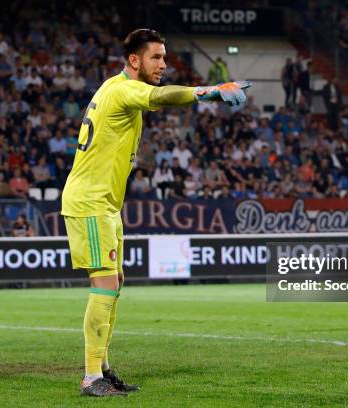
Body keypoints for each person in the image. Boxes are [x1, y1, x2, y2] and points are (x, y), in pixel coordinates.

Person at [60, 29, 251, 397]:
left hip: (104, 204)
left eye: (164, 58)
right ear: (135, 61)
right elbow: (163, 95)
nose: (163, 64)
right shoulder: (125, 89)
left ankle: (103, 368)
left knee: (115, 283)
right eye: (156, 58)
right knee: (105, 285)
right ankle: (90, 377)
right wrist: (207, 91)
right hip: (90, 202)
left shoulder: (114, 87)